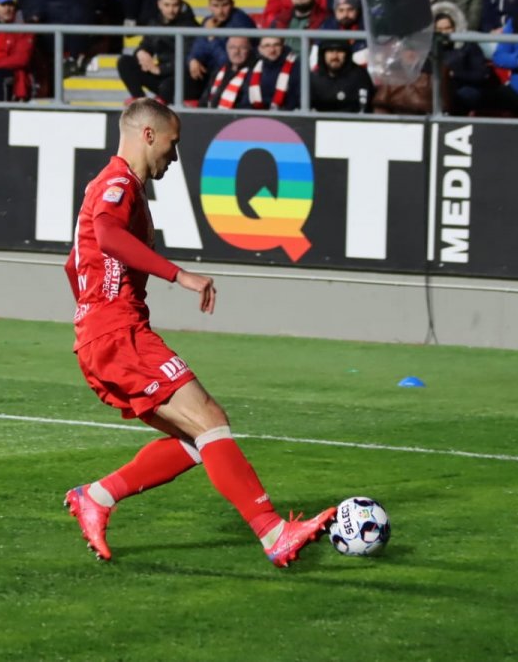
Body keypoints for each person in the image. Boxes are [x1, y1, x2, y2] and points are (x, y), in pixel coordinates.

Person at [62, 99, 337, 568]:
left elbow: (74, 264)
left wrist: (91, 314)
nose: (174, 156)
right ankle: (273, 533)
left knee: (200, 439)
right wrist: (180, 276)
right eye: (172, 144)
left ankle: (97, 497)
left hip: (104, 334)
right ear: (148, 135)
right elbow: (106, 237)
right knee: (210, 420)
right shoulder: (117, 183)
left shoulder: (112, 184)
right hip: (118, 334)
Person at [117, 0, 197, 104]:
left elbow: (187, 60)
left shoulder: (190, 26)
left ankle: (153, 106)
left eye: (175, 5)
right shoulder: (155, 23)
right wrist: (141, 52)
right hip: (161, 76)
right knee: (124, 62)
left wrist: (160, 70)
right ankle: (141, 104)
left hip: (181, 79)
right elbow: (146, 44)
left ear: (181, 5)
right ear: (159, 4)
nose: (171, 10)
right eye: (167, 5)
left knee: (167, 86)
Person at [310, 39, 373, 113]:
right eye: (330, 51)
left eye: (340, 51)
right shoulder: (314, 78)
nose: (335, 56)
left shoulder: (360, 77)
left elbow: (364, 109)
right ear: (323, 54)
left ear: (347, 54)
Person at [244, 35, 301, 111]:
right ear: (260, 49)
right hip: (256, 114)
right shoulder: (253, 66)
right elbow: (246, 99)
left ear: (282, 46)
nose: (272, 50)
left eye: (276, 45)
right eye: (267, 46)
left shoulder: (296, 67)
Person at [199, 35, 255, 108]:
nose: (236, 51)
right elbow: (204, 100)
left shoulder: (254, 73)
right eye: (232, 47)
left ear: (249, 49)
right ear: (227, 50)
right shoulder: (219, 71)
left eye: (242, 47)